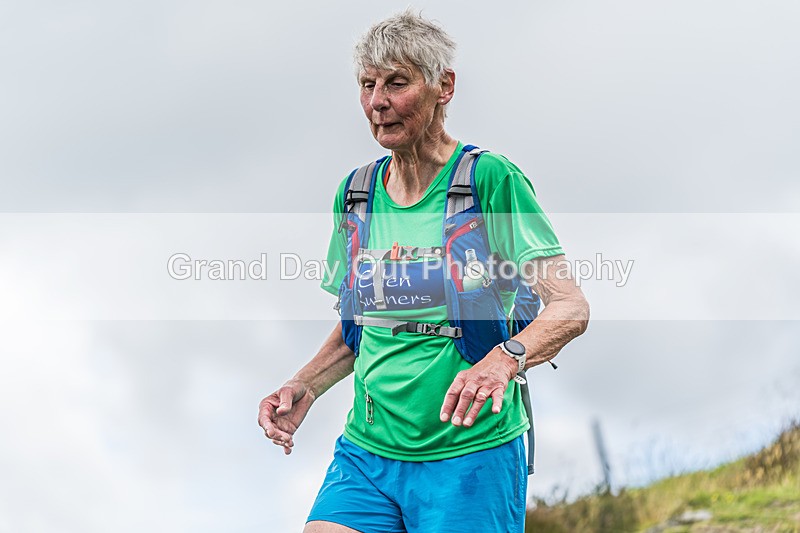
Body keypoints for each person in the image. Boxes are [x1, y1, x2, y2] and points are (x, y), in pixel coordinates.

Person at [258, 10, 589, 533]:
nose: (377, 102)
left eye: (396, 82)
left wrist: (502, 362)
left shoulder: (490, 181)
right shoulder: (356, 194)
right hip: (367, 456)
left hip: (471, 456)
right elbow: (357, 331)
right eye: (367, 85)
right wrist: (304, 385)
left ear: (444, 87)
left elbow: (571, 308)